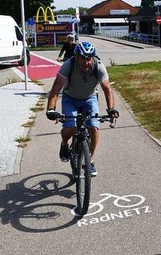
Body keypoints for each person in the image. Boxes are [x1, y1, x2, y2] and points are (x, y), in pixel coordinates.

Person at [46, 41, 119, 176]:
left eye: (88, 59)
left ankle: (90, 160)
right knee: (71, 126)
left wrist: (111, 109)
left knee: (93, 127)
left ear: (92, 58)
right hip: (70, 99)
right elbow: (56, 89)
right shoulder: (68, 66)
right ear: (76, 57)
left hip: (89, 98)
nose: (86, 63)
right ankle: (64, 144)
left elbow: (107, 89)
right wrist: (51, 109)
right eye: (82, 59)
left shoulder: (98, 66)